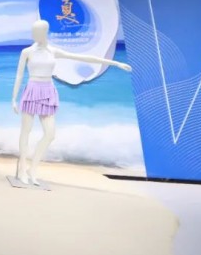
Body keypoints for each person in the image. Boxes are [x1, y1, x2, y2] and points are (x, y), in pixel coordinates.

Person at [11, 19, 132, 185]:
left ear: (44, 33)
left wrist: (115, 63)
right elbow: (19, 74)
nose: (34, 35)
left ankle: (33, 169)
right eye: (33, 32)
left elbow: (82, 57)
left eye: (37, 32)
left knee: (50, 134)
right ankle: (22, 168)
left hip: (48, 90)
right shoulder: (27, 52)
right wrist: (13, 98)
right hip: (32, 89)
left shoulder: (53, 51)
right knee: (26, 132)